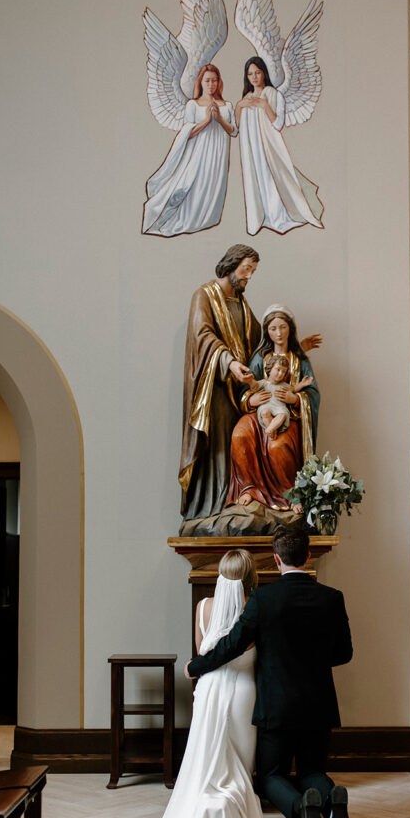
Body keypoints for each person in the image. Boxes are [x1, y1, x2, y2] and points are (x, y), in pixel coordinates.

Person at [105, 550, 293, 818]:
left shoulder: (203, 608)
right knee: (239, 764)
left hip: (207, 691)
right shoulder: (256, 609)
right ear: (252, 576)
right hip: (243, 693)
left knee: (207, 761)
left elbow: (202, 652)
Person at [186, 525, 353, 818]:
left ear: (276, 560)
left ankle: (302, 812)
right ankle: (332, 800)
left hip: (277, 707)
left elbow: (232, 646)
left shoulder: (264, 599)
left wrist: (197, 666)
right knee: (312, 772)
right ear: (307, 556)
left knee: (271, 775)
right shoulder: (332, 597)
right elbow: (344, 653)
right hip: (318, 704)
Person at [180, 244, 261, 522]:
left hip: (237, 388)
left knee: (238, 441)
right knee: (217, 443)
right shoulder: (204, 295)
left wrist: (293, 345)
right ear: (231, 264)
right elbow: (202, 334)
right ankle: (210, 507)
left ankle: (235, 497)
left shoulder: (240, 302)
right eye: (246, 268)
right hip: (213, 387)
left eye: (253, 271)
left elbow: (255, 341)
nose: (249, 276)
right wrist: (229, 363)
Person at [227, 304, 320, 511]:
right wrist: (250, 400)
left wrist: (294, 398)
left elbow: (313, 393)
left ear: (291, 329)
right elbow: (245, 386)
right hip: (259, 412)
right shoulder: (261, 357)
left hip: (287, 416)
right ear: (267, 332)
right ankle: (248, 488)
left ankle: (291, 495)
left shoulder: (299, 360)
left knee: (276, 447)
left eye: (283, 327)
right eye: (273, 328)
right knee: (239, 435)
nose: (278, 333)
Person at [142, 64, 237, 237]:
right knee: (190, 185)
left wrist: (219, 119)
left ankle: (206, 220)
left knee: (211, 186)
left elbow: (234, 131)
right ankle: (183, 218)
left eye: (214, 80)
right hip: (198, 154)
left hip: (218, 155)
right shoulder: (193, 105)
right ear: (200, 82)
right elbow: (188, 133)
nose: (211, 84)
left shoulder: (227, 105)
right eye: (207, 80)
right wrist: (207, 120)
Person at [235, 56, 323, 236]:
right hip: (253, 148)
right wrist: (239, 107)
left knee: (274, 178)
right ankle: (264, 215)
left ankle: (278, 215)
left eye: (257, 73)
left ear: (263, 73)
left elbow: (277, 124)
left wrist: (265, 105)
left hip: (269, 147)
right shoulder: (247, 97)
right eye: (250, 74)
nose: (254, 77)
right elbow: (238, 127)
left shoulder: (273, 94)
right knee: (258, 179)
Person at [255, 353, 313, 439]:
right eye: (278, 369)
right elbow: (254, 385)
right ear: (270, 369)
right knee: (264, 412)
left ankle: (271, 429)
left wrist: (302, 384)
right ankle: (272, 432)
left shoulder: (284, 385)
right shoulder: (264, 383)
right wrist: (249, 381)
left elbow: (293, 389)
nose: (280, 374)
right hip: (267, 406)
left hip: (279, 408)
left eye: (283, 372)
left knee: (282, 415)